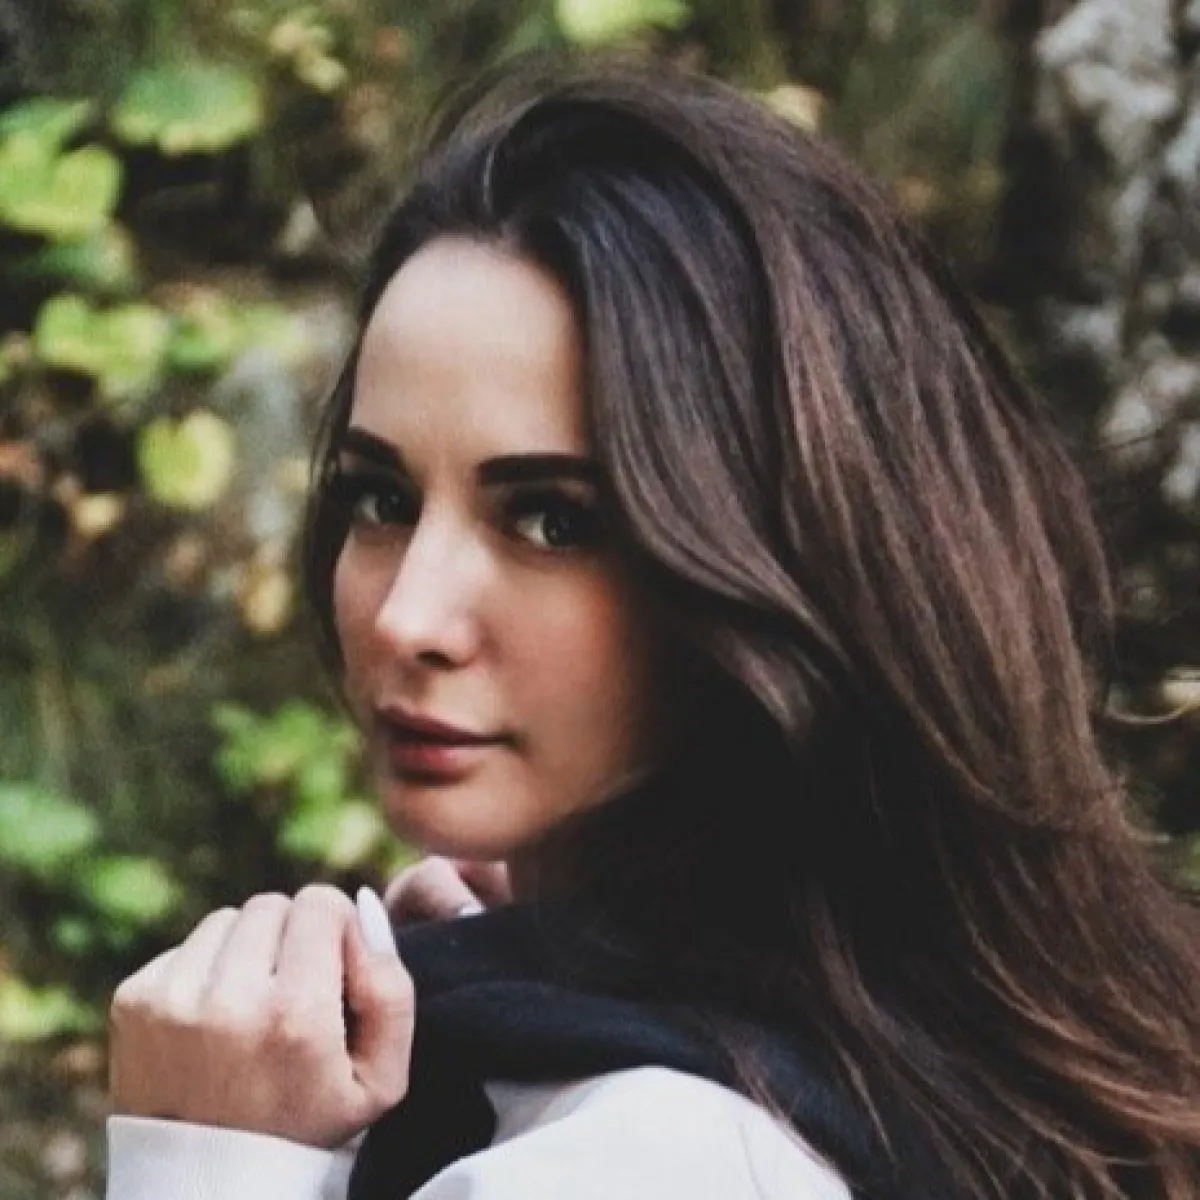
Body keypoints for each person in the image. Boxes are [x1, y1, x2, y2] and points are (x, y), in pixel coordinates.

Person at [103, 57, 1200, 1200]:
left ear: (775, 560)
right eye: (381, 498)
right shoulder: (914, 1030)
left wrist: (205, 1163)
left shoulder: (647, 1159)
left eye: (551, 520)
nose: (408, 615)